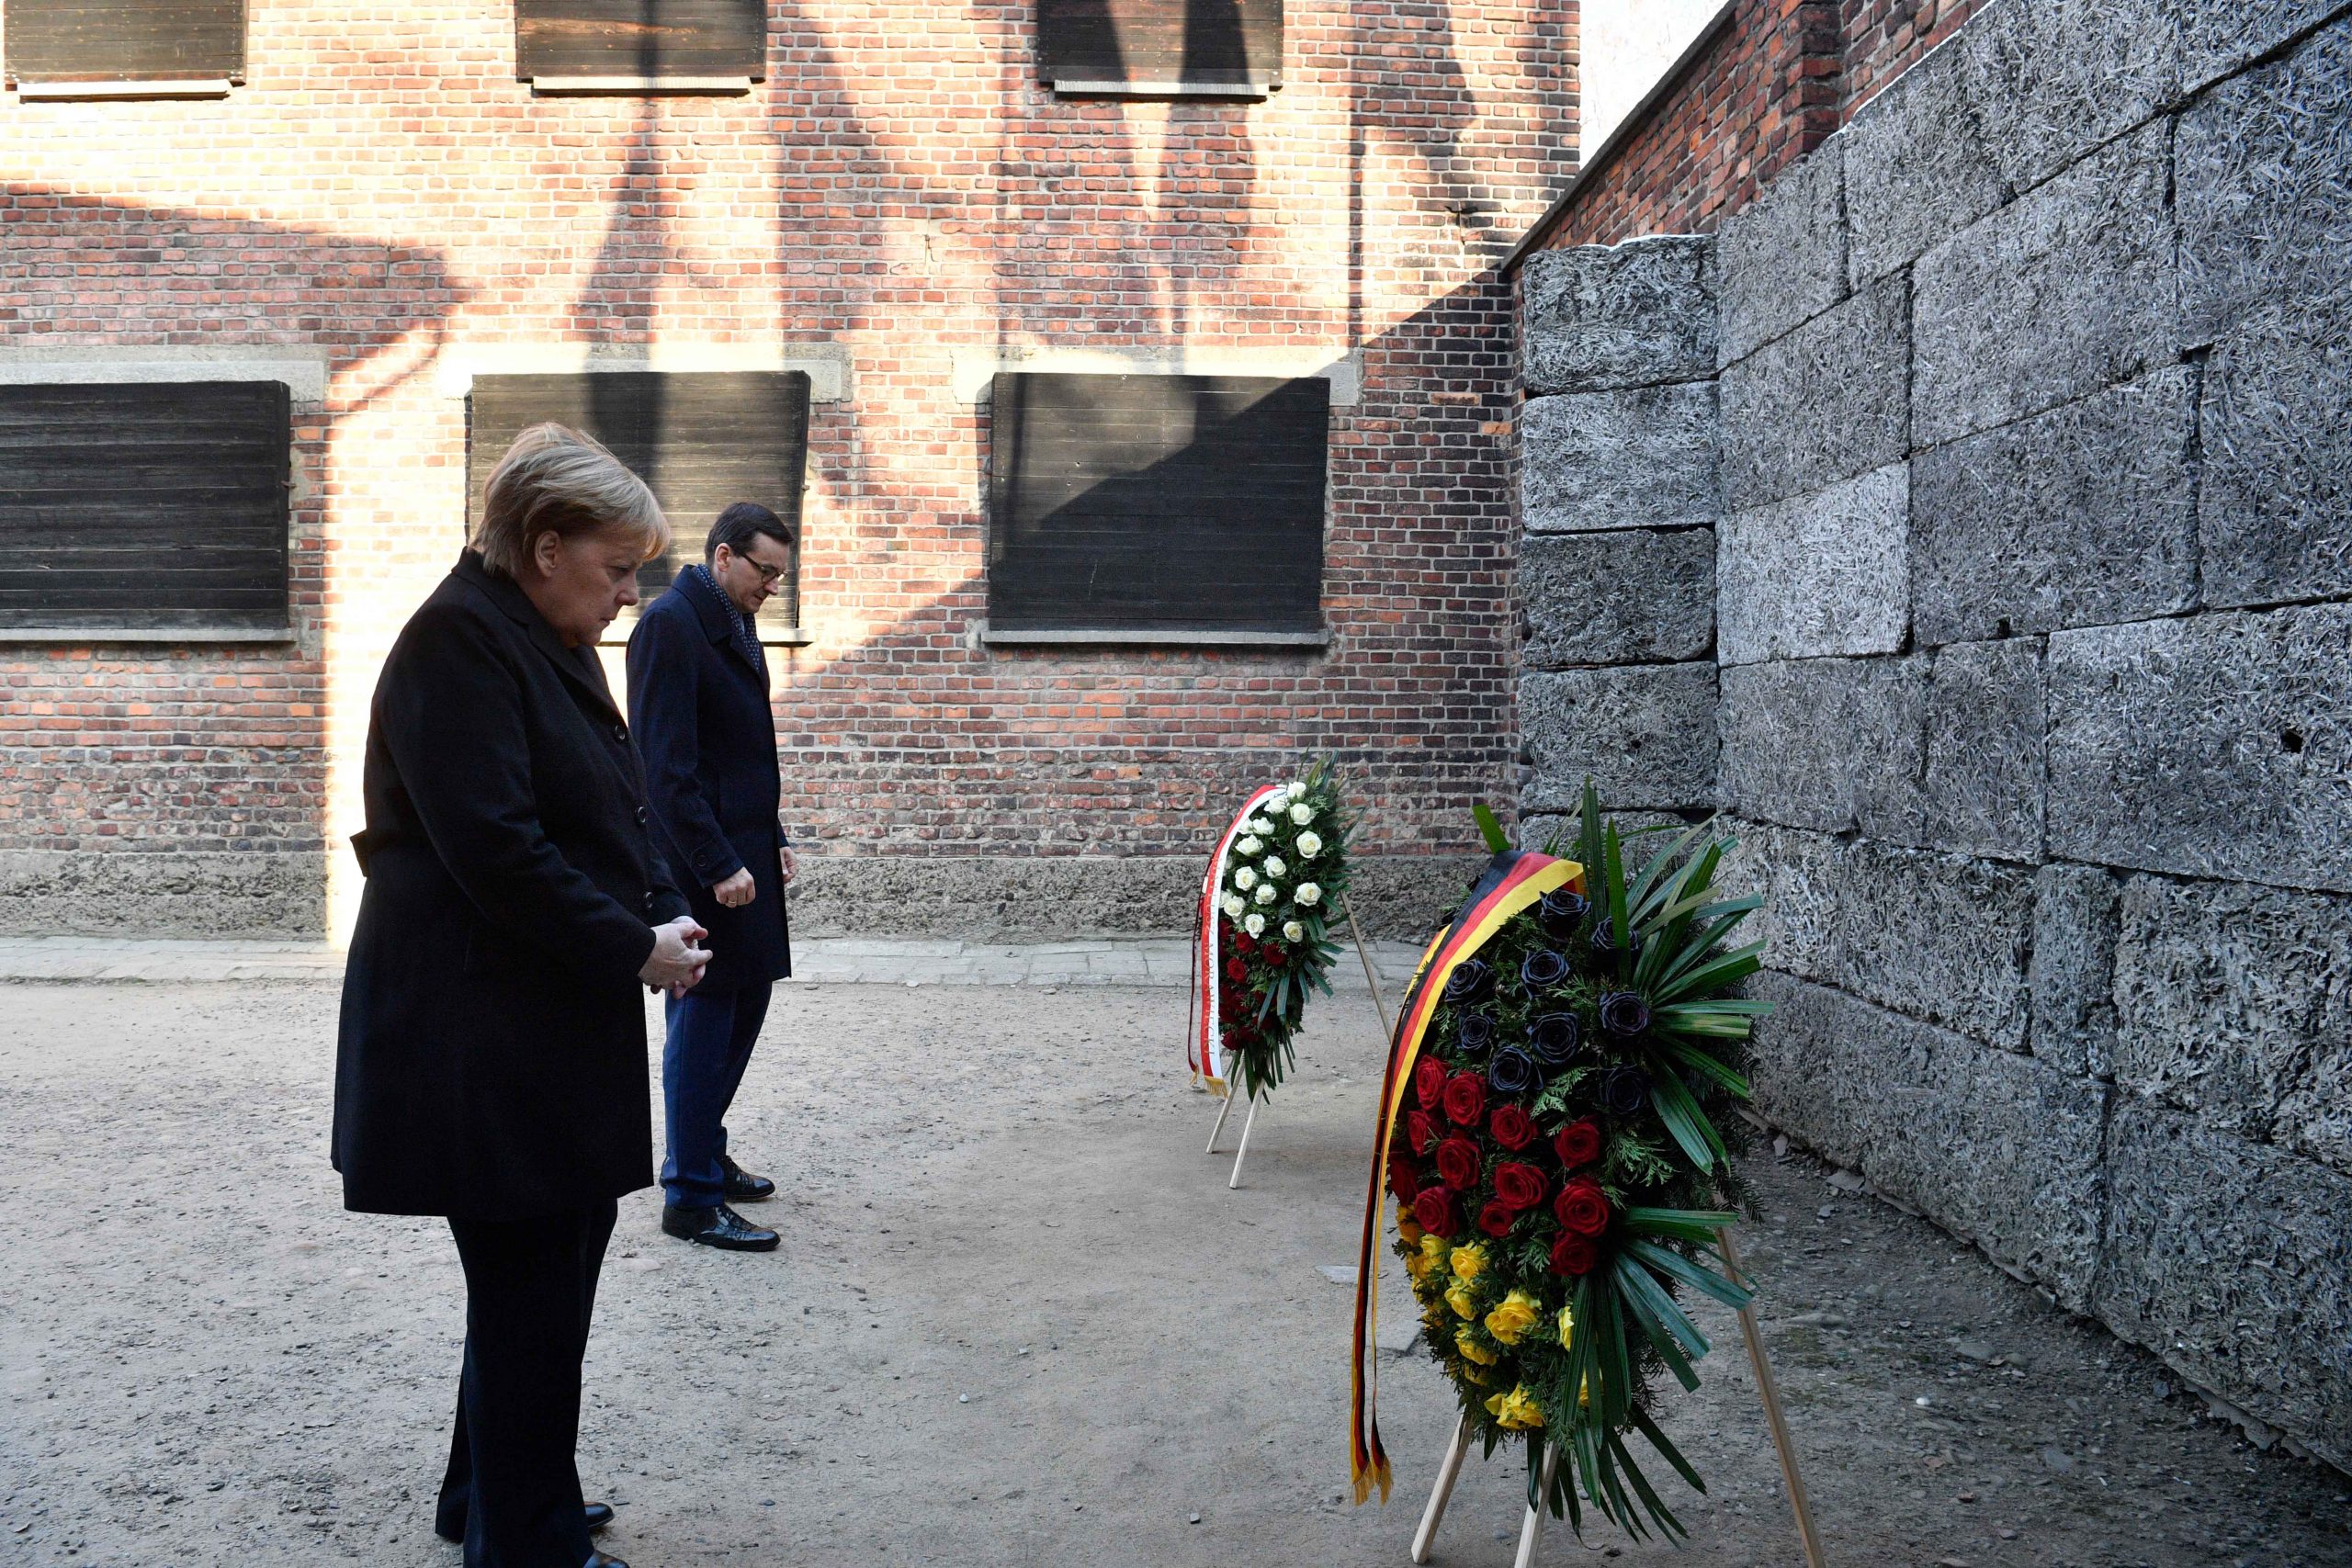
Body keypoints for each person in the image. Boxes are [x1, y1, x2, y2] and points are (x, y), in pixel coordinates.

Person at [333, 423, 709, 1568]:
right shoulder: (461, 643)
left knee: (535, 1278)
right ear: (545, 547)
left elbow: (593, 801)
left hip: (521, 1027)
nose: (627, 596)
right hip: (478, 1039)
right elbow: (495, 850)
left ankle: (487, 1495)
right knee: (533, 1284)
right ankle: (527, 1539)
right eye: (613, 569)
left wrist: (654, 906)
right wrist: (631, 946)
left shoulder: (520, 629)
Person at [627, 502, 797, 1252]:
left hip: (743, 853)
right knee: (704, 1020)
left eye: (780, 576)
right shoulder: (671, 624)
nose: (772, 587)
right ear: (724, 556)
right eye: (765, 571)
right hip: (703, 864)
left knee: (744, 1001)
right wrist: (718, 861)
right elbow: (665, 770)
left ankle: (700, 1148)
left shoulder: (730, 618)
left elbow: (738, 749)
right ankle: (690, 1196)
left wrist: (773, 835)